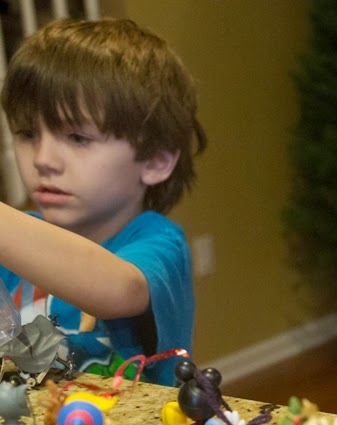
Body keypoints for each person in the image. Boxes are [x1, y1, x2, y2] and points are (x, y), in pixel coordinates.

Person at [0, 18, 206, 385]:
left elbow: (118, 290)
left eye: (78, 138)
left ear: (155, 160)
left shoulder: (158, 243)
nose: (43, 159)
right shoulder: (14, 245)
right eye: (27, 134)